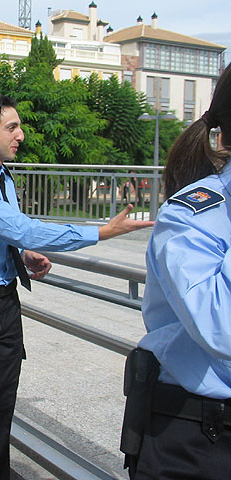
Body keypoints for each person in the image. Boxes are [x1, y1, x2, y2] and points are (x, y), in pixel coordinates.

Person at [0, 95, 154, 480]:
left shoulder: (3, 178)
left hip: (3, 307)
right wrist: (99, 232)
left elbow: (3, 232)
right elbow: (18, 226)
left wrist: (21, 253)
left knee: (0, 415)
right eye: (11, 127)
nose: (21, 135)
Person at [121, 64, 231, 480]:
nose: (19, 136)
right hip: (199, 439)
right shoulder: (194, 214)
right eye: (11, 126)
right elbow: (222, 328)